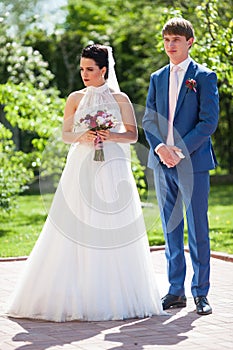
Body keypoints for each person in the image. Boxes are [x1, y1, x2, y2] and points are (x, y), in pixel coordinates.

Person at [6, 44, 166, 322]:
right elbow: (66, 134)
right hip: (80, 166)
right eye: (82, 69)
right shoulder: (75, 98)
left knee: (112, 225)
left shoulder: (120, 98)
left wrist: (107, 135)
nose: (84, 74)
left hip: (112, 168)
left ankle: (112, 295)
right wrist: (84, 135)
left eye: (90, 69)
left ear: (104, 70)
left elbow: (130, 135)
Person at [142, 18, 219, 315]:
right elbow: (149, 119)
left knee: (198, 227)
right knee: (170, 227)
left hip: (193, 163)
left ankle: (201, 292)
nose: (170, 45)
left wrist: (179, 150)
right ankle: (175, 291)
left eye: (176, 39)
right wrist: (161, 148)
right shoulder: (157, 77)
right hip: (162, 163)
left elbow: (208, 122)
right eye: (166, 40)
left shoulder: (204, 76)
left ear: (190, 42)